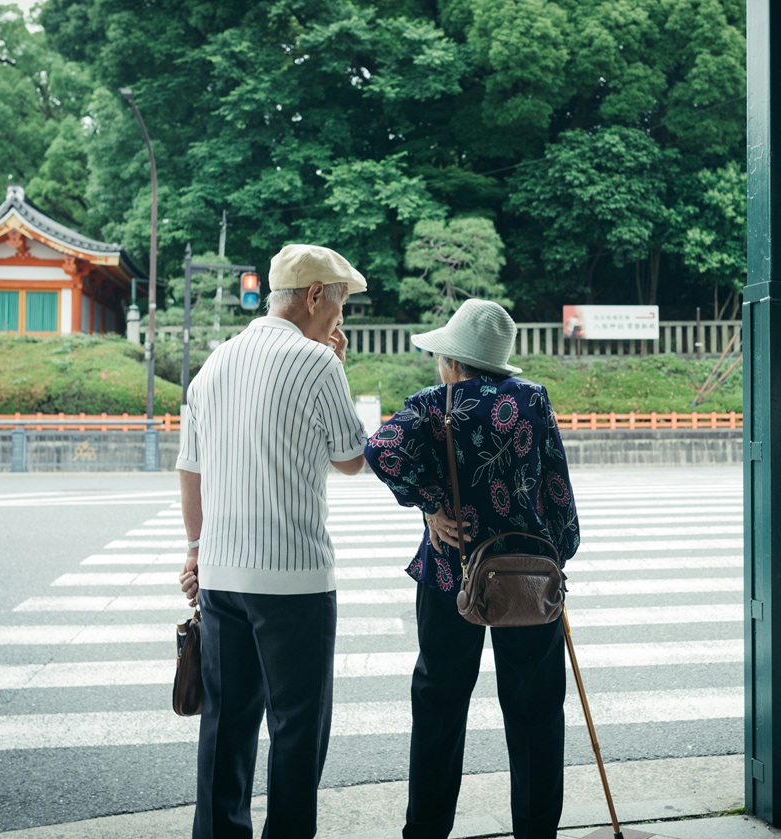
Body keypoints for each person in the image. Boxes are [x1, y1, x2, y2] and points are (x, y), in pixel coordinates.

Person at [363, 299, 581, 839]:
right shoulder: (531, 400)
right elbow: (557, 487)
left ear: (455, 363)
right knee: (535, 712)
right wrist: (561, 550)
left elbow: (380, 451)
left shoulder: (435, 404)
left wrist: (432, 505)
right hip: (530, 577)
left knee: (440, 705)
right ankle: (536, 831)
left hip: (451, 574)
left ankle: (427, 831)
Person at [176, 243, 368, 839]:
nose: (341, 320)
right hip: (294, 579)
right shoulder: (317, 364)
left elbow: (191, 468)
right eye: (339, 305)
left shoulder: (214, 363)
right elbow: (352, 458)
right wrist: (336, 366)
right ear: (314, 297)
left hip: (223, 576)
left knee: (226, 723)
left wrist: (195, 552)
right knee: (297, 727)